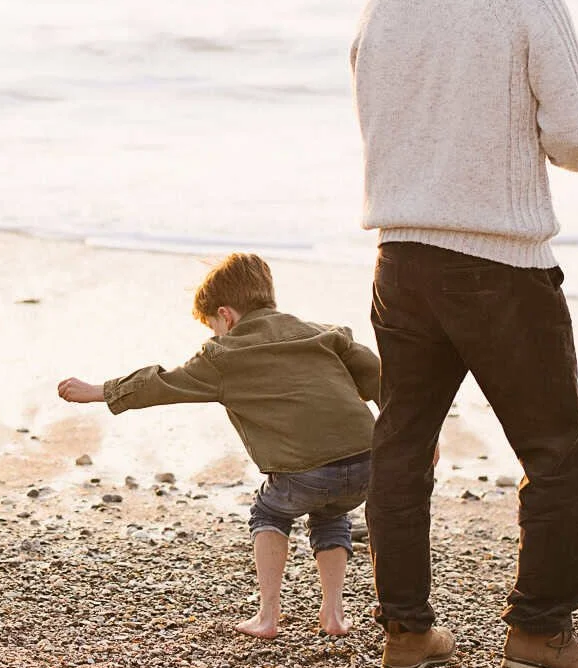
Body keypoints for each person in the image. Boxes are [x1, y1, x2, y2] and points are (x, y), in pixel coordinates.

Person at [351, 0, 578, 668]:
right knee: (556, 446)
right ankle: (540, 631)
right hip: (500, 261)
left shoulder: (386, 0)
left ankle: (407, 630)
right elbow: (577, 139)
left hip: (400, 257)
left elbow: (379, 115)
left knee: (403, 443)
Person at [57, 253, 381, 639]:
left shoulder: (224, 355)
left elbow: (163, 383)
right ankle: (333, 615)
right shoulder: (325, 334)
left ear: (225, 316)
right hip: (368, 464)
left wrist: (100, 391)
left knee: (269, 512)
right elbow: (381, 379)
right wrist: (420, 439)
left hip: (306, 473)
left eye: (213, 326)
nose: (214, 335)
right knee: (331, 515)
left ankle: (268, 617)